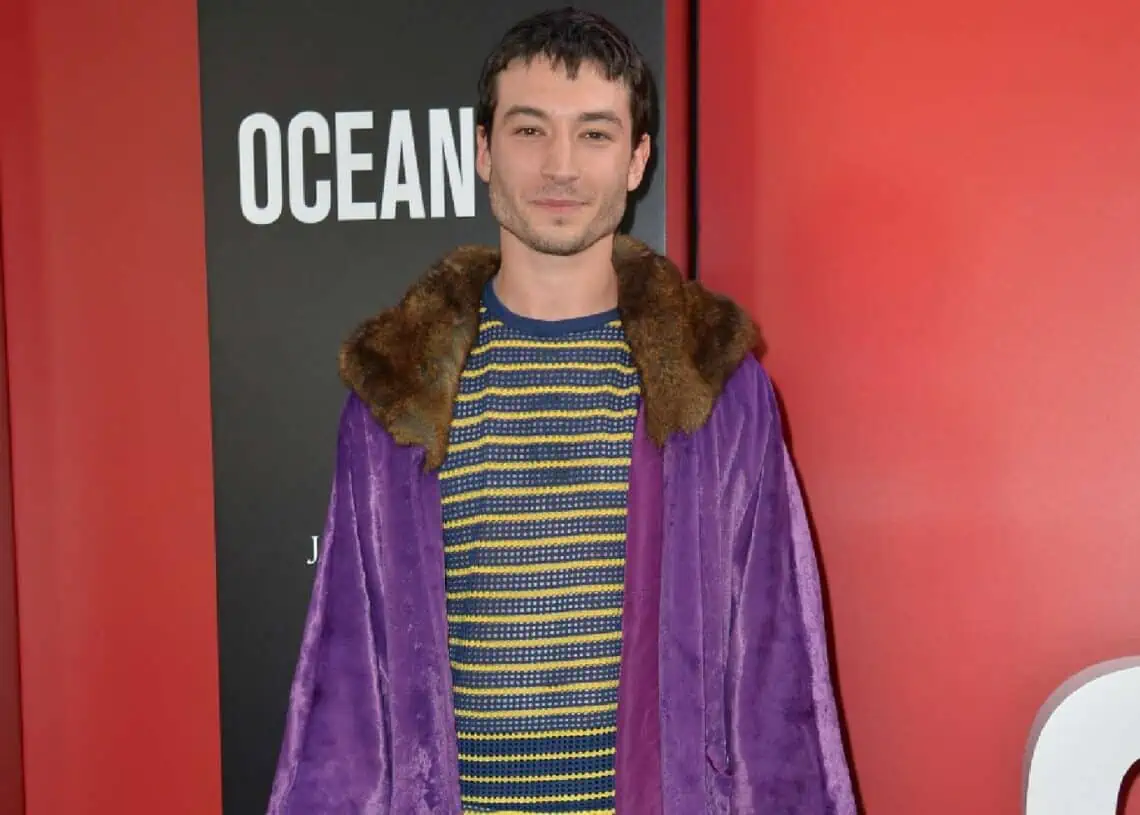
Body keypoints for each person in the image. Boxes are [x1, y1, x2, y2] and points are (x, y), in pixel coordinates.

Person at [267, 7, 855, 814]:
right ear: (483, 149)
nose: (560, 166)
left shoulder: (717, 391)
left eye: (595, 134)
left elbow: (778, 682)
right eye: (530, 129)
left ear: (638, 159)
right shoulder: (396, 396)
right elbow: (343, 694)